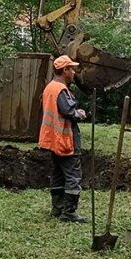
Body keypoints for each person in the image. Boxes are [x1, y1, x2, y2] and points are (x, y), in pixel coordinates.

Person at [38, 55, 88, 223]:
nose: (74, 72)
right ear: (65, 70)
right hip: (65, 139)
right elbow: (68, 111)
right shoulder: (61, 89)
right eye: (71, 68)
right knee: (73, 175)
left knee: (58, 174)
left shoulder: (50, 87)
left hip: (53, 139)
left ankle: (57, 209)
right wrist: (79, 113)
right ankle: (69, 213)